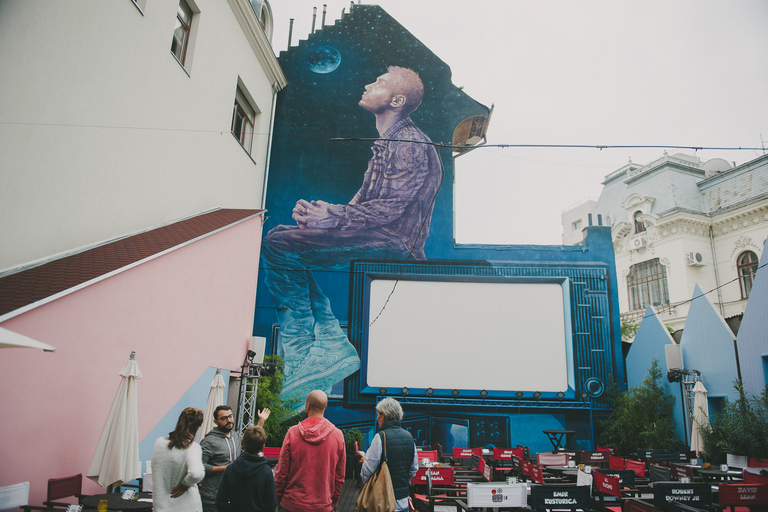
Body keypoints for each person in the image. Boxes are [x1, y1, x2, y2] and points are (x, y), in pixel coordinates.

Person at [262, 66, 442, 411]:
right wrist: (318, 221)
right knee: (281, 235)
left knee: (279, 246)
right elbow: (364, 205)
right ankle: (325, 340)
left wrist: (332, 216)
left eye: (380, 83)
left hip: (395, 245)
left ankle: (310, 349)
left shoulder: (407, 145)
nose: (368, 84)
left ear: (397, 100)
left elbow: (390, 209)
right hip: (379, 234)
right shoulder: (389, 142)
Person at [274, 390, 346, 512]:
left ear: (307, 405)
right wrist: (334, 501)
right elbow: (340, 476)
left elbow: (281, 473)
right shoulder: (337, 435)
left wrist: (279, 498)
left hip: (291, 504)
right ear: (325, 407)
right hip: (322, 506)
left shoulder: (292, 432)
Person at [200, 405, 271, 512]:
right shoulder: (208, 441)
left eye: (230, 416)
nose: (229, 420)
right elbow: (200, 467)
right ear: (215, 421)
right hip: (212, 499)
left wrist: (261, 421)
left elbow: (252, 441)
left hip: (233, 499)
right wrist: (225, 468)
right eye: (224, 418)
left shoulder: (236, 437)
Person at [360, 397, 418, 512]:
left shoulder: (380, 437)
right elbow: (413, 469)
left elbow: (367, 471)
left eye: (378, 414)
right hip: (403, 500)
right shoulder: (410, 437)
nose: (377, 418)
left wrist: (364, 463)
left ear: (383, 415)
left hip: (384, 501)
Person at [151, 407, 206, 512]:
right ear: (197, 427)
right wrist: (185, 484)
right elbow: (196, 474)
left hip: (161, 506)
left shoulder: (158, 444)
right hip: (187, 505)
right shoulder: (192, 448)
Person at [215, 425, 277, 512]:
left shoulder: (231, 468)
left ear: (242, 442)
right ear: (262, 447)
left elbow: (221, 500)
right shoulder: (266, 471)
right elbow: (271, 503)